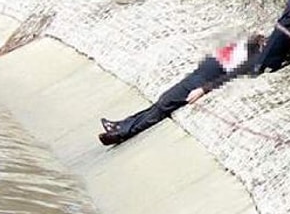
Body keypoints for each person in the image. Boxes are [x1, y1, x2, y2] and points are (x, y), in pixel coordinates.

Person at [98, 34, 266, 146]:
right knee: (162, 102)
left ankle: (123, 133)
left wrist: (203, 89)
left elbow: (230, 76)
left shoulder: (252, 58)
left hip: (201, 81)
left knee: (164, 105)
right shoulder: (247, 46)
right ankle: (120, 126)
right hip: (197, 75)